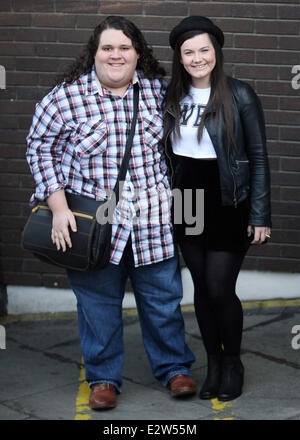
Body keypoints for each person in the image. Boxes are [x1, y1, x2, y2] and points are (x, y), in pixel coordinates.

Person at [26, 16, 196, 410]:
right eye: (107, 48)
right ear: (94, 53)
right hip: (93, 226)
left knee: (163, 302)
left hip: (153, 222)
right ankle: (103, 378)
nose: (115, 55)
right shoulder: (65, 98)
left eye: (124, 47)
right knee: (98, 306)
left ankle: (174, 369)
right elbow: (40, 149)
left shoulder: (158, 92)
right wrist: (57, 208)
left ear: (138, 53)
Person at [163, 16, 271, 401]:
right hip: (185, 201)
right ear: (179, 57)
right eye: (188, 52)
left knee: (219, 287)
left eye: (204, 50)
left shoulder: (239, 94)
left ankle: (233, 363)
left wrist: (260, 215)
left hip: (228, 200)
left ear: (216, 51)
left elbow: (257, 156)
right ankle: (212, 362)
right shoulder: (171, 95)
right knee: (201, 292)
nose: (196, 58)